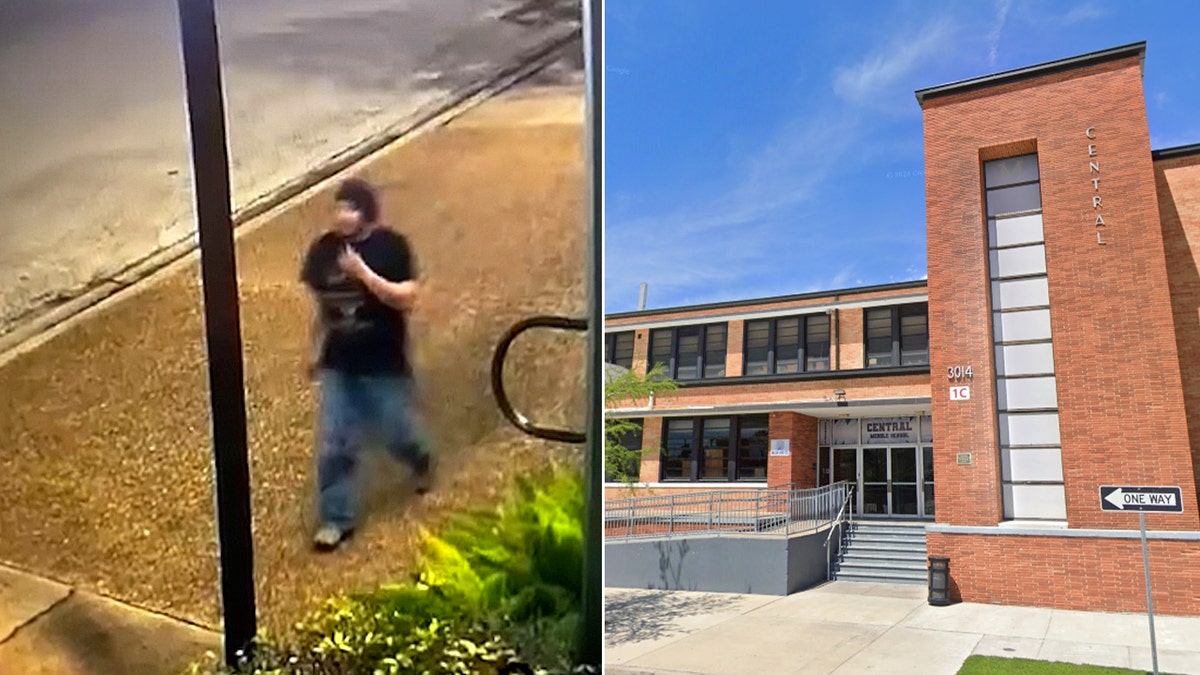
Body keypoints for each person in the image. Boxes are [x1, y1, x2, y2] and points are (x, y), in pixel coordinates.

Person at [300, 177, 432, 552]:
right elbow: (322, 307)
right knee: (335, 441)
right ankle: (336, 518)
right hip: (340, 361)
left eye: (350, 208)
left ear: (366, 213)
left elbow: (408, 298)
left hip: (383, 361)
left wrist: (365, 275)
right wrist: (313, 350)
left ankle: (419, 459)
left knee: (397, 431)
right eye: (338, 207)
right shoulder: (324, 250)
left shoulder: (391, 247)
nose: (341, 216)